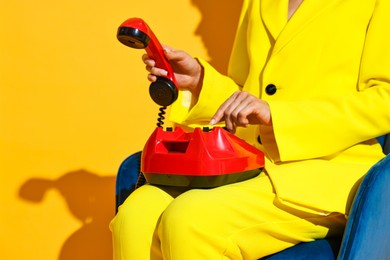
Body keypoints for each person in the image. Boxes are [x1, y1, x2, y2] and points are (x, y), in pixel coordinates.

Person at [110, 0, 390, 259]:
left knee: (190, 220)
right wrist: (198, 81)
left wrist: (277, 115)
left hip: (328, 171)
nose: (198, 25)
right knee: (135, 216)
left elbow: (385, 99)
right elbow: (244, 94)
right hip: (249, 161)